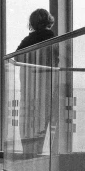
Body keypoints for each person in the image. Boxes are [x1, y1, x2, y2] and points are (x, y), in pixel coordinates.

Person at [16, 9, 56, 157]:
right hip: (45, 83)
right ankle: (38, 152)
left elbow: (18, 58)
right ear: (48, 21)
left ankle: (29, 152)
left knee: (29, 119)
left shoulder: (27, 40)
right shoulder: (50, 37)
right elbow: (56, 58)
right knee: (42, 118)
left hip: (29, 85)